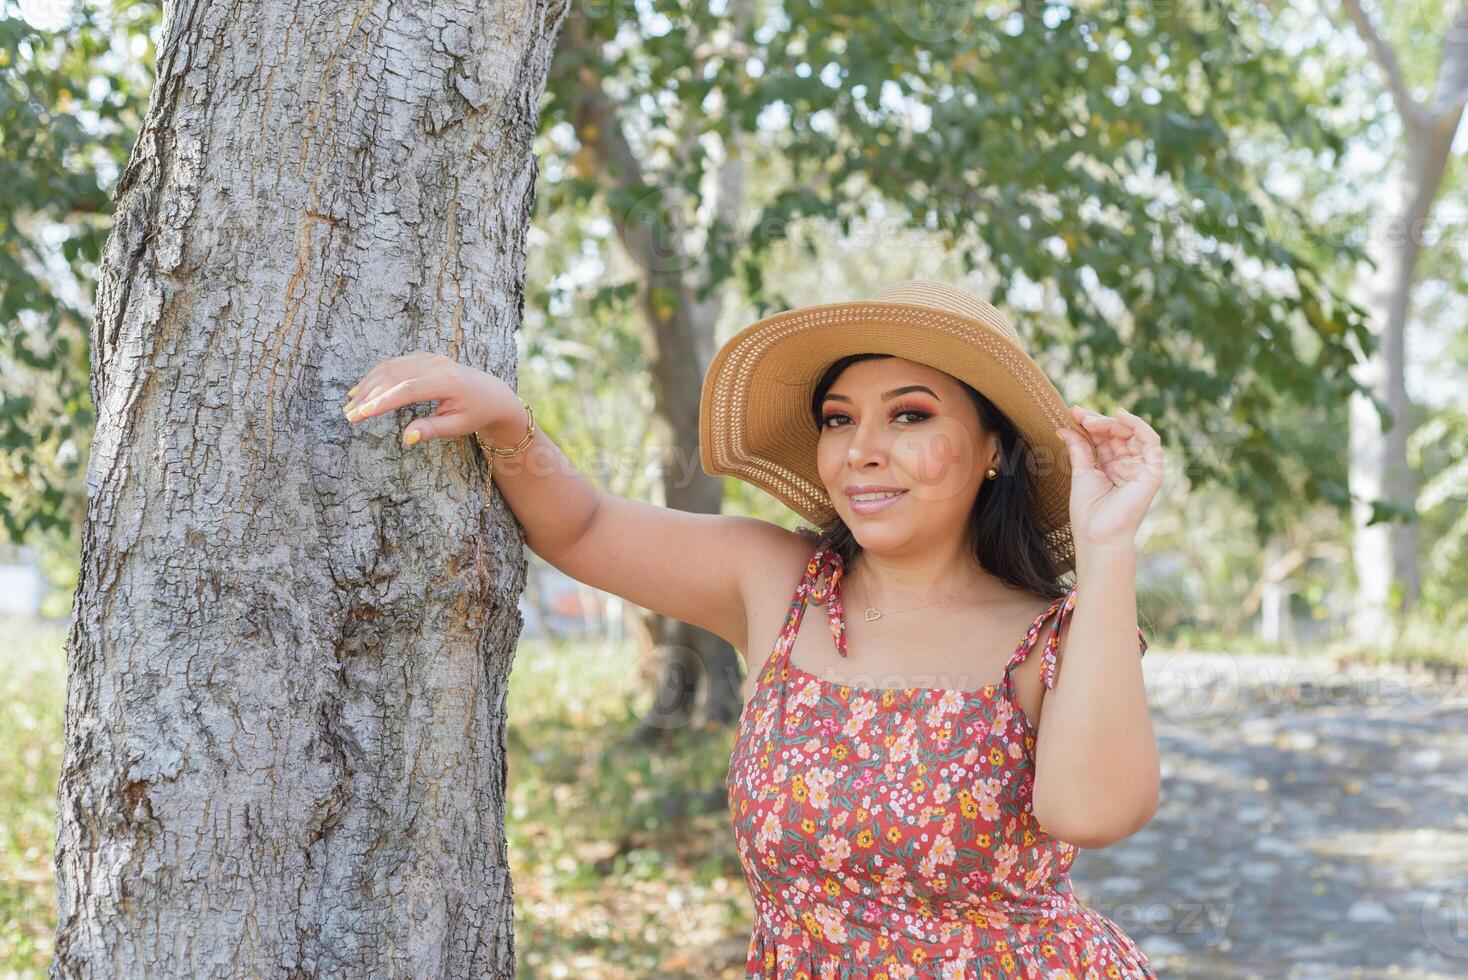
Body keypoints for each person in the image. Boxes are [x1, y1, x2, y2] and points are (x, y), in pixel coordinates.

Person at [341, 279, 1164, 977]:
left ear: (992, 447)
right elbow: (584, 528)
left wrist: (1107, 545)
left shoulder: (1055, 637)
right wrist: (507, 424)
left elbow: (1092, 814)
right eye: (839, 420)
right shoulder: (779, 582)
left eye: (909, 416)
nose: (862, 451)